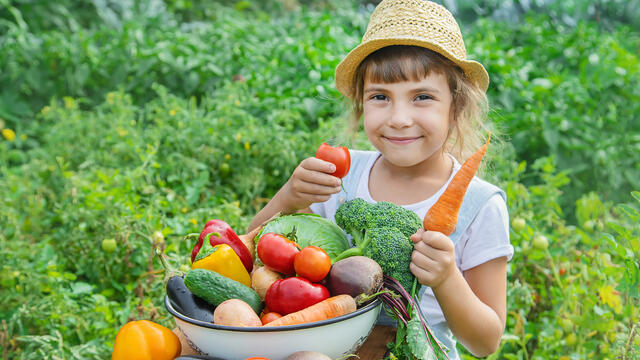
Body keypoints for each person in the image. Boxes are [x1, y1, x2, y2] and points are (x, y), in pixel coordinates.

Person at [249, 0, 512, 358]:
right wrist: (287, 199)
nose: (399, 118)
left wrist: (447, 279)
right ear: (361, 104)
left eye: (422, 97)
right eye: (380, 97)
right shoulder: (341, 175)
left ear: (456, 106)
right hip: (329, 346)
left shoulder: (480, 205)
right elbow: (251, 257)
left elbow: (485, 342)